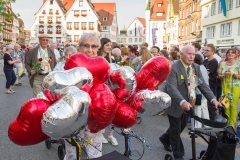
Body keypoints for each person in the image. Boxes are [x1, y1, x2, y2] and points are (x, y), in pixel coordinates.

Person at [159, 45, 221, 160]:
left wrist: (213, 99)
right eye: (189, 54)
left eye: (193, 54)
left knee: (178, 128)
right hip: (175, 104)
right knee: (176, 131)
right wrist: (182, 101)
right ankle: (179, 156)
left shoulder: (196, 67)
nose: (192, 57)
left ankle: (164, 138)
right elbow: (172, 87)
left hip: (189, 104)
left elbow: (202, 85)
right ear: (181, 55)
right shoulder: (173, 67)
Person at [218, 48, 240, 127]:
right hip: (225, 88)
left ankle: (232, 126)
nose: (230, 54)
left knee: (233, 107)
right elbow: (219, 75)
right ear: (226, 54)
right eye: (229, 52)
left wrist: (233, 74)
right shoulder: (223, 64)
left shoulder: (238, 64)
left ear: (236, 54)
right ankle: (227, 125)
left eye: (232, 53)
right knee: (226, 106)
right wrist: (224, 75)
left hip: (235, 88)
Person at [203, 44, 219, 121]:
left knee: (210, 104)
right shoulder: (205, 61)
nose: (205, 51)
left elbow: (206, 73)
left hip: (211, 85)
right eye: (205, 50)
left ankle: (211, 121)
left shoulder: (214, 61)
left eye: (207, 50)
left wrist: (204, 73)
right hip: (204, 84)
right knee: (204, 103)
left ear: (212, 52)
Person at [194, 54, 210, 128]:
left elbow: (197, 81)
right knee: (204, 108)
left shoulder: (196, 68)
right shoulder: (203, 67)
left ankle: (198, 126)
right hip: (205, 91)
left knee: (198, 109)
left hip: (199, 91)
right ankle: (207, 124)